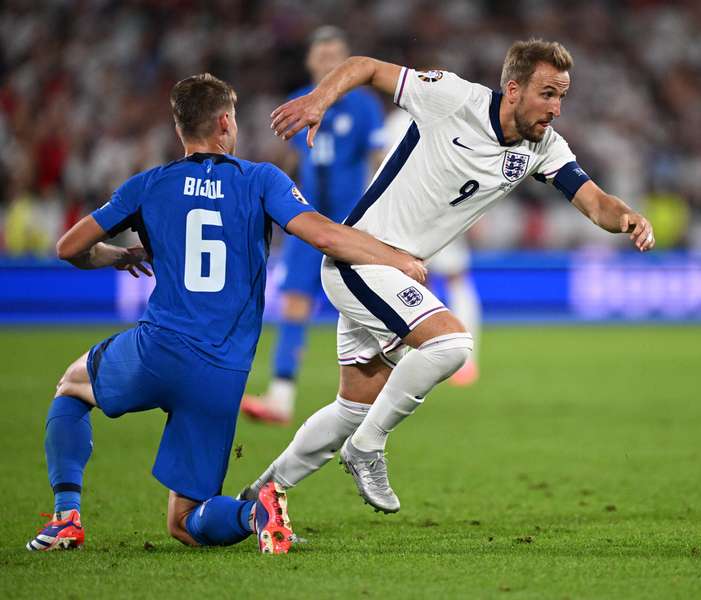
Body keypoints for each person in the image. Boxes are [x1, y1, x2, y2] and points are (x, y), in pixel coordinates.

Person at [242, 39, 655, 514]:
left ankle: (258, 497)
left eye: (562, 96)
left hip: (394, 275)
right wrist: (320, 100)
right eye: (547, 94)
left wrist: (627, 218)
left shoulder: (543, 147)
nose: (556, 108)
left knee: (351, 407)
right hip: (361, 260)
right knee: (451, 344)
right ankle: (367, 448)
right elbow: (363, 66)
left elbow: (595, 201)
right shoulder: (453, 97)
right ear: (514, 89)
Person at [26, 73, 425, 553]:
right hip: (222, 370)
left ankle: (66, 518)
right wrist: (393, 256)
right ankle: (256, 510)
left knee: (71, 388)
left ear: (179, 129)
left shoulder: (149, 185)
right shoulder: (260, 180)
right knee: (185, 520)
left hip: (157, 350)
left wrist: (121, 255)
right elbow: (322, 235)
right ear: (225, 122)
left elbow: (70, 246)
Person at [242, 26, 386, 424]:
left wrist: (382, 216)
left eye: (334, 55)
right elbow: (289, 160)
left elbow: (378, 162)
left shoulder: (363, 104)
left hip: (350, 223)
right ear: (310, 61)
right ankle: (281, 398)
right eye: (321, 55)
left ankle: (381, 396)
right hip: (307, 223)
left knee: (364, 309)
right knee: (294, 302)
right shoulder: (298, 102)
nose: (327, 61)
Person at [383, 107, 482, 386]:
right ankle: (461, 359)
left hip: (410, 214)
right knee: (452, 280)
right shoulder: (450, 115)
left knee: (414, 283)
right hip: (444, 207)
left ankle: (426, 355)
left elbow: (381, 162)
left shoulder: (397, 121)